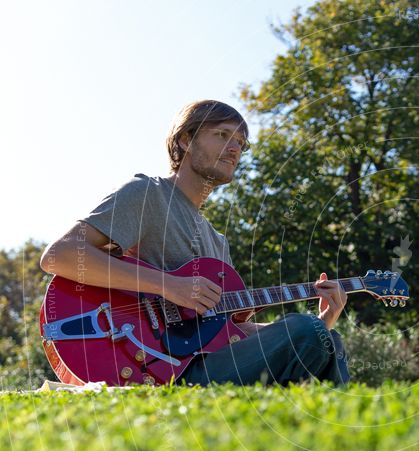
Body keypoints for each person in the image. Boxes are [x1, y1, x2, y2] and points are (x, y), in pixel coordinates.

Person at [39, 99, 350, 386]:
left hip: (209, 365)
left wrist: (324, 320)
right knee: (307, 331)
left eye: (240, 143)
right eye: (222, 135)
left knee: (325, 338)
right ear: (186, 140)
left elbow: (230, 334)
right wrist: (168, 285)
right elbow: (59, 255)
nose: (234, 148)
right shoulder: (148, 194)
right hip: (154, 366)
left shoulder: (218, 244)